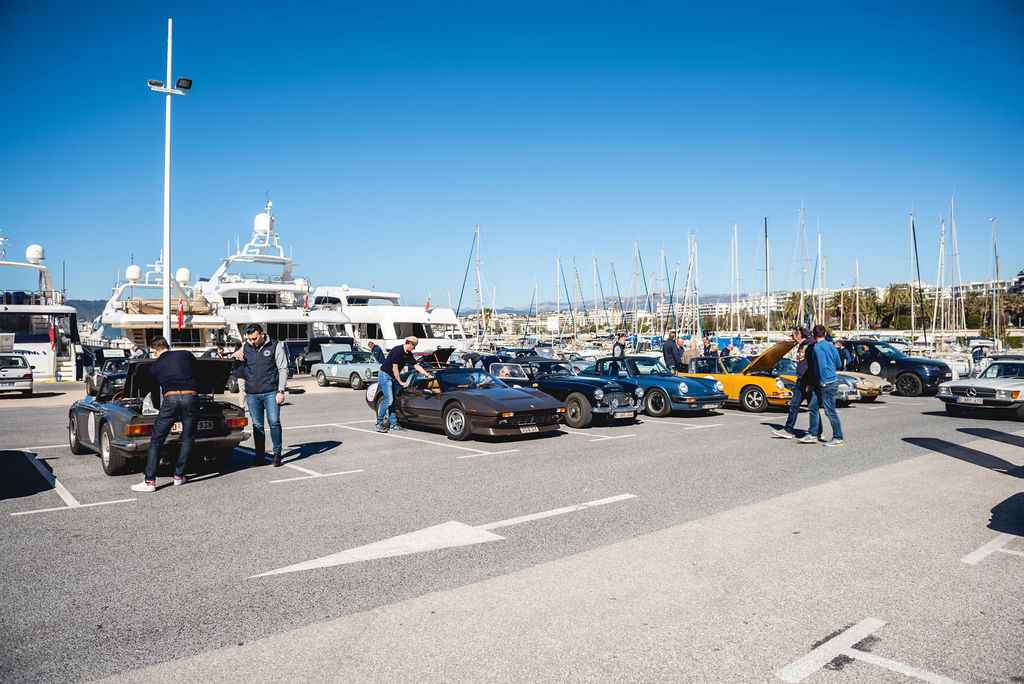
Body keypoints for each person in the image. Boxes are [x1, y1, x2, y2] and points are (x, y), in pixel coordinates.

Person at [129, 336, 198, 492]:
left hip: (171, 399)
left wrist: (159, 408)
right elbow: (196, 371)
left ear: (154, 350)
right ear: (168, 346)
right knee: (187, 438)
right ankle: (178, 476)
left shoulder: (155, 366)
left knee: (157, 439)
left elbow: (154, 391)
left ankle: (149, 482)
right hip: (191, 396)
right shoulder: (186, 354)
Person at [231, 323, 289, 467]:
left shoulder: (275, 346)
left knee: (274, 422)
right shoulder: (247, 346)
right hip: (252, 393)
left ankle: (277, 453)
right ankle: (259, 456)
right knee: (257, 426)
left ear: (262, 335)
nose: (252, 342)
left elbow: (283, 369)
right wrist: (234, 355)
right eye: (250, 339)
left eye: (255, 339)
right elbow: (236, 362)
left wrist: (281, 391)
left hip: (271, 392)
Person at [798, 325, 844, 447]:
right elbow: (839, 363)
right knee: (813, 406)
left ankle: (838, 437)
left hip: (826, 383)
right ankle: (813, 434)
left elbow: (822, 365)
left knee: (830, 412)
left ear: (813, 335)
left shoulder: (817, 348)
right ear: (825, 334)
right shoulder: (831, 345)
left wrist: (823, 380)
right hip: (829, 380)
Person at [375, 336, 433, 432]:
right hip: (385, 375)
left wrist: (427, 375)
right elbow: (395, 368)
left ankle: (393, 424)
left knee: (393, 401)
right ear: (410, 343)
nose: (414, 348)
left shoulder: (408, 354)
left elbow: (416, 365)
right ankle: (378, 423)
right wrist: (400, 382)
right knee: (389, 400)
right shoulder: (398, 351)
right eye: (414, 346)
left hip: (392, 376)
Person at [773, 327, 814, 439]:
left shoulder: (810, 345)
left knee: (810, 408)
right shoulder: (802, 345)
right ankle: (789, 429)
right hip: (800, 380)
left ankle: (816, 431)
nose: (792, 338)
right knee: (796, 405)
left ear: (799, 335)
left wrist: (810, 383)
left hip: (807, 381)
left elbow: (812, 365)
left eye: (793, 335)